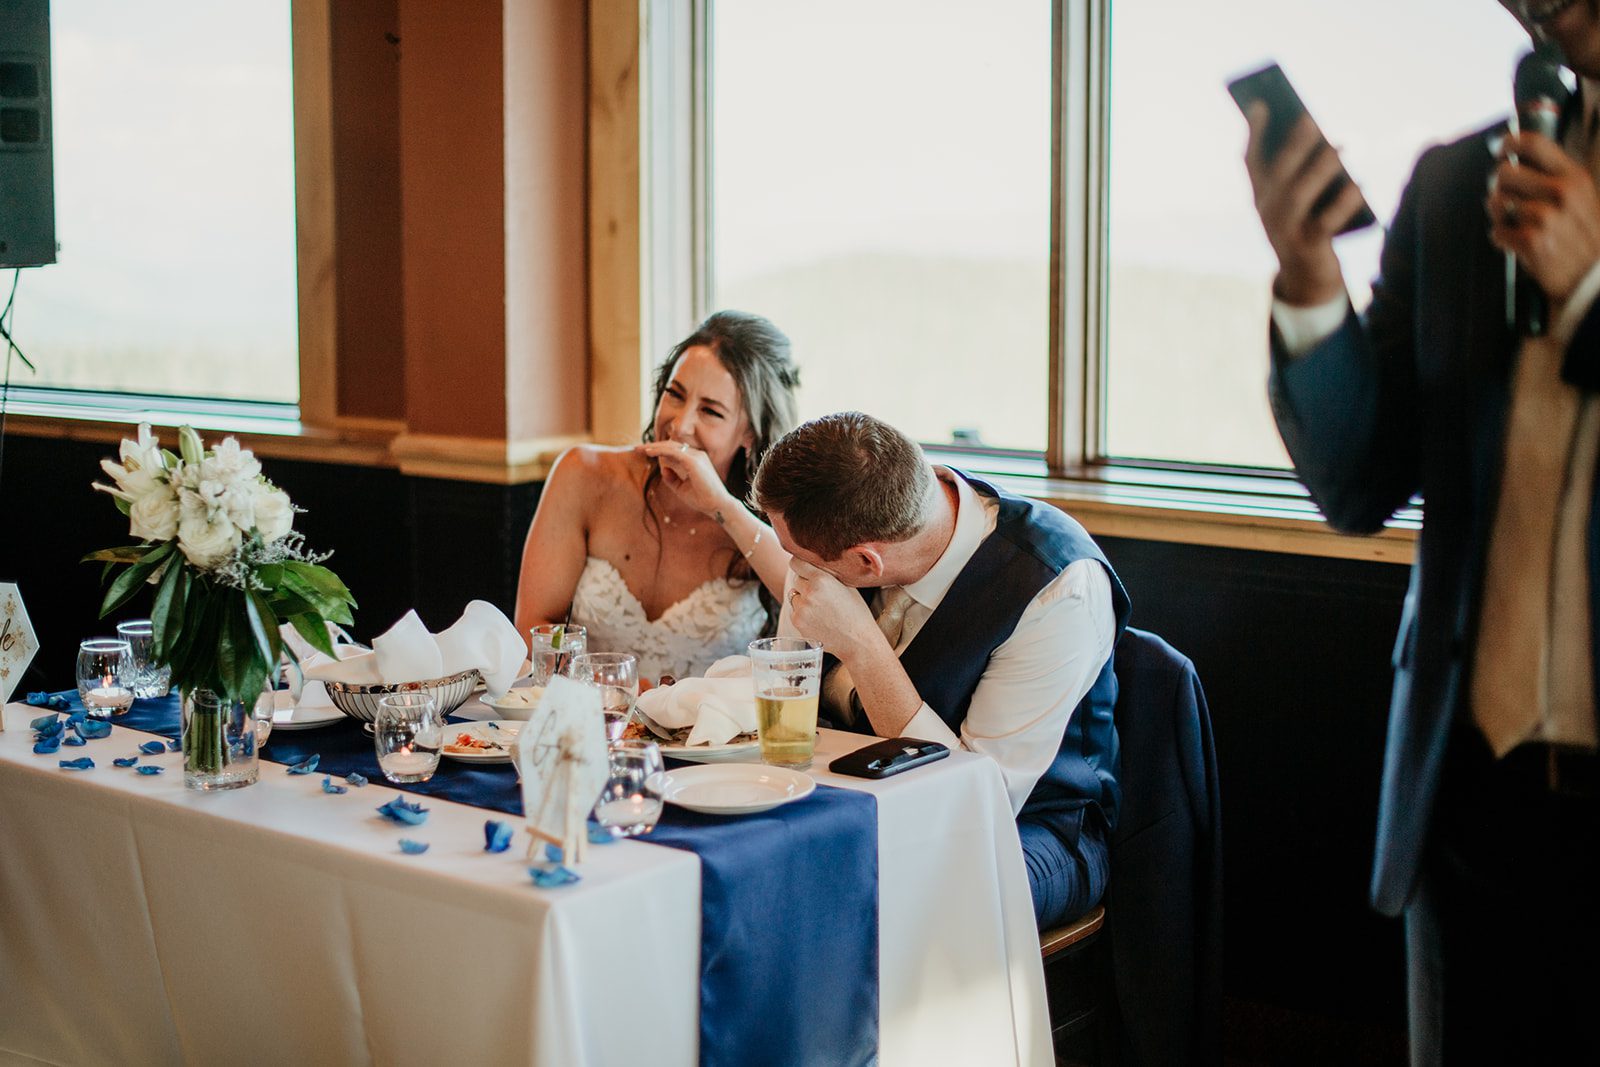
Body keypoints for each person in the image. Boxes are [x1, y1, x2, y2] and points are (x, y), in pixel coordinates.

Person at [1244, 2, 1600, 1060]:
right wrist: (1309, 277)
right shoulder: (1460, 184)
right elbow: (1358, 481)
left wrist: (1584, 295)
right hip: (1463, 806)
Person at [752, 412, 1129, 929]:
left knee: (855, 903)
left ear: (867, 563)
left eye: (799, 558)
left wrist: (863, 647)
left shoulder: (1056, 588)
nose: (794, 571)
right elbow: (798, 693)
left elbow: (978, 801)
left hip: (1030, 832)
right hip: (857, 797)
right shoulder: (860, 524)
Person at [514, 311, 800, 682]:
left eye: (711, 411)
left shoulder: (768, 517)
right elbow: (535, 626)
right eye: (674, 395)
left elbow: (805, 603)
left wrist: (722, 507)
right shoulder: (583, 474)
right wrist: (611, 691)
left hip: (716, 737)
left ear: (749, 434)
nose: (680, 425)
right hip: (597, 722)